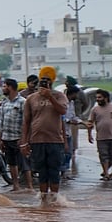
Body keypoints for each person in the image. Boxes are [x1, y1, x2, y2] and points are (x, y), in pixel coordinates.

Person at [20, 66, 69, 202]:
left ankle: (54, 201)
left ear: (52, 81)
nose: (45, 82)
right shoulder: (31, 99)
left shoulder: (59, 96)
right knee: (42, 172)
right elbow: (26, 122)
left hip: (55, 140)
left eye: (47, 80)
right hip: (37, 140)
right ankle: (43, 200)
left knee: (54, 171)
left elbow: (63, 111)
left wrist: (50, 97)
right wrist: (24, 142)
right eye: (42, 80)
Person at [0, 78, 32, 191]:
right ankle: (16, 186)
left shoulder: (23, 102)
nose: (3, 88)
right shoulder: (4, 102)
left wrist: (24, 139)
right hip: (7, 138)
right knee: (11, 163)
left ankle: (30, 187)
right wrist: (0, 138)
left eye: (4, 86)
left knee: (24, 163)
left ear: (10, 87)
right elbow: (1, 122)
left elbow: (27, 121)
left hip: (18, 137)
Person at [85, 89, 112, 180]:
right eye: (96, 98)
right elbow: (90, 123)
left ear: (106, 98)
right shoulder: (95, 109)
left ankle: (106, 170)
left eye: (100, 97)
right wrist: (89, 135)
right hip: (101, 137)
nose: (97, 99)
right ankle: (106, 173)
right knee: (103, 155)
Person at [63, 76, 89, 177]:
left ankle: (65, 168)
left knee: (70, 147)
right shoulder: (63, 101)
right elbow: (61, 117)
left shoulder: (74, 101)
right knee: (64, 151)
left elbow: (85, 104)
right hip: (63, 129)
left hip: (72, 124)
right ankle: (62, 170)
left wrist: (81, 121)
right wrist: (70, 121)